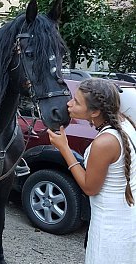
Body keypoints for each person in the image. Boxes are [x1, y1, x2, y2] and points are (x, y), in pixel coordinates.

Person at [48, 78, 136, 264]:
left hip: (109, 229)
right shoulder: (125, 123)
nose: (69, 104)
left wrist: (64, 148)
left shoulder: (105, 142)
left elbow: (90, 188)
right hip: (126, 220)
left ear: (95, 111)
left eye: (77, 102)